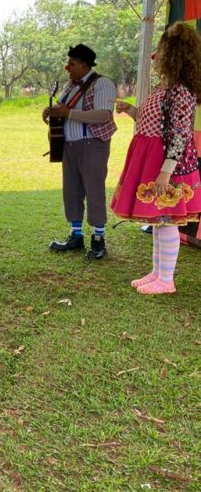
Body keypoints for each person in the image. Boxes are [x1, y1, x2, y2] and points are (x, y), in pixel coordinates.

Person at [111, 23, 201, 294]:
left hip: (166, 165)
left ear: (173, 53)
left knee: (167, 220)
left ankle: (166, 280)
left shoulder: (181, 92)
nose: (157, 54)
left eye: (162, 48)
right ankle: (157, 272)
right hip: (153, 159)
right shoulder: (166, 87)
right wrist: (131, 111)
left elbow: (181, 135)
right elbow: (153, 122)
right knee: (158, 220)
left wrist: (165, 172)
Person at [43, 44, 118, 259]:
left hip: (92, 144)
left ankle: (98, 239)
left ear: (85, 64)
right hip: (70, 145)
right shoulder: (71, 86)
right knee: (72, 191)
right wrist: (50, 111)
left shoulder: (102, 84)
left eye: (73, 64)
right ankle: (76, 235)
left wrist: (70, 113)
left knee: (94, 190)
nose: (68, 68)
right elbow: (62, 109)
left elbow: (103, 115)